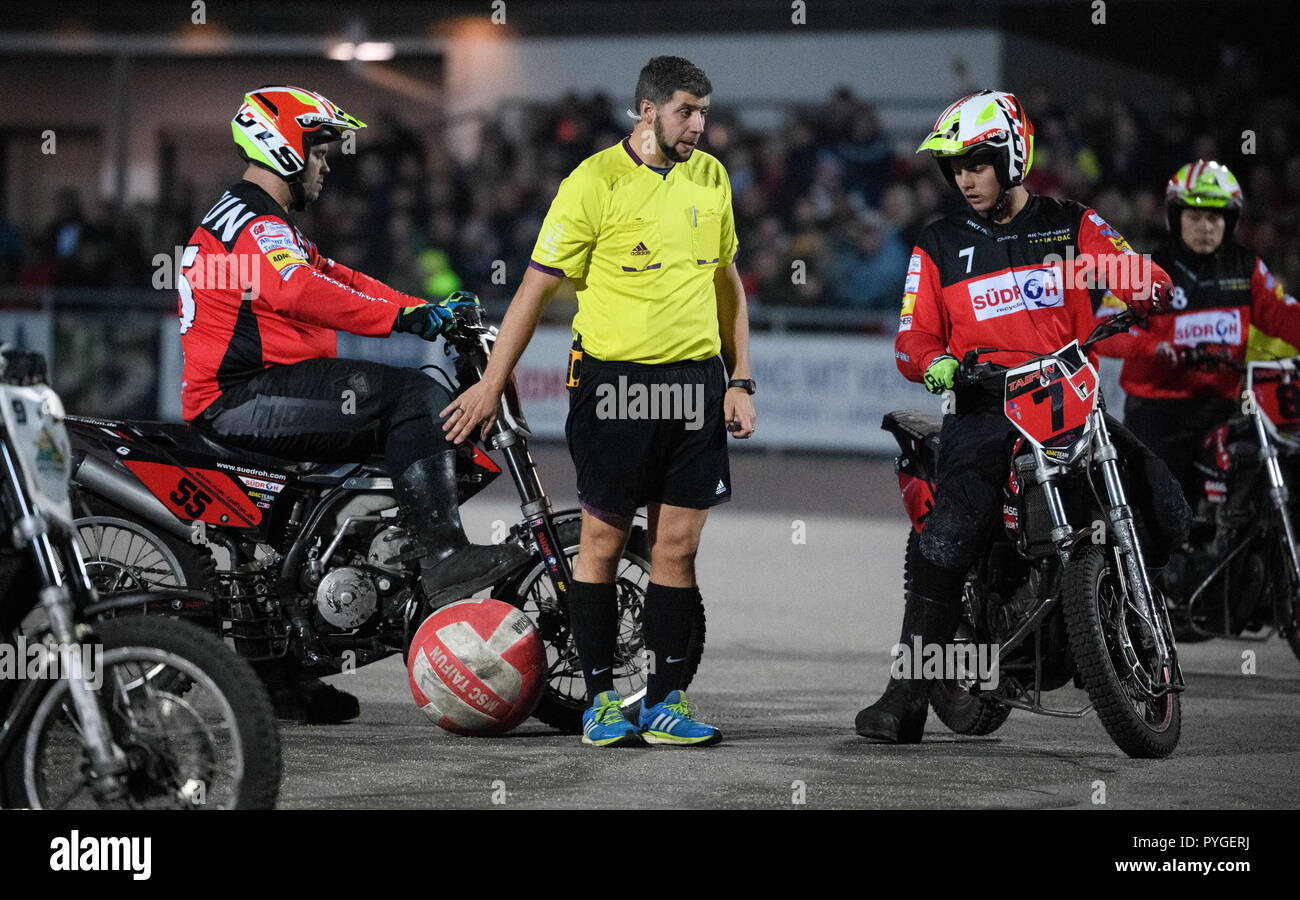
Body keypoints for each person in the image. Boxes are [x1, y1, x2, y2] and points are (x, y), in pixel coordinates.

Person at [180, 86, 529, 722]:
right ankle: (445, 555)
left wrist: (418, 308)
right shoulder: (254, 224)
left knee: (304, 516)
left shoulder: (257, 219)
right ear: (283, 146)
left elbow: (336, 277)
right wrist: (410, 322)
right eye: (318, 149)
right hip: (241, 398)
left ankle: (280, 677)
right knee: (412, 395)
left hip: (257, 390)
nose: (327, 163)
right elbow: (303, 293)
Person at [855, 89, 1187, 743]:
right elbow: (912, 339)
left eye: (977, 162)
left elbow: (1131, 269)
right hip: (984, 408)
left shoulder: (1069, 223)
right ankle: (904, 695)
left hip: (1069, 399)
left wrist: (1148, 283)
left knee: (1166, 505)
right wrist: (935, 364)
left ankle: (1127, 631)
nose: (965, 178)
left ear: (1012, 154)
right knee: (947, 538)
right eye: (955, 168)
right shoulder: (939, 242)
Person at [444, 56, 756, 747]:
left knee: (677, 547)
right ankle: (601, 700)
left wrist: (740, 378)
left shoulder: (711, 177)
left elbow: (727, 281)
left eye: (704, 111)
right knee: (603, 542)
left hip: (696, 387)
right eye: (685, 111)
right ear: (646, 112)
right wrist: (493, 382)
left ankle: (668, 701)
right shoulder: (592, 183)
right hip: (614, 386)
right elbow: (533, 289)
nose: (698, 125)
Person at [1098, 161, 1300, 518]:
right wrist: (1152, 347)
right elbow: (1104, 330)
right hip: (1157, 412)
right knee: (1162, 514)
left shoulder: (1247, 267)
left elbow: (1285, 316)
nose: (1206, 227)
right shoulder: (1147, 268)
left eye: (1216, 218)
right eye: (1195, 217)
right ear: (1176, 218)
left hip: (1222, 409)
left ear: (1230, 222)